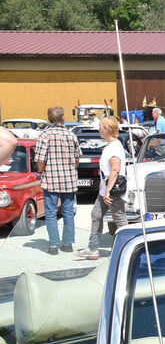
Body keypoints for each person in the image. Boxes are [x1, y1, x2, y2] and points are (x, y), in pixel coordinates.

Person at [76, 117, 128, 259]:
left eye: (101, 127)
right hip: (106, 188)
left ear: (107, 129)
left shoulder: (115, 147)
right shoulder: (110, 146)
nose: (99, 129)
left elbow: (115, 169)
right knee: (96, 215)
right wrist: (102, 186)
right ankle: (93, 248)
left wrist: (108, 190)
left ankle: (127, 247)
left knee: (119, 218)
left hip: (113, 190)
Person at [34, 106, 80, 254]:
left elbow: (40, 160)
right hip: (68, 180)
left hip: (51, 179)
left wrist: (41, 171)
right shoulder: (71, 135)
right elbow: (77, 159)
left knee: (51, 213)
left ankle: (53, 245)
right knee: (67, 212)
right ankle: (67, 244)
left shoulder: (44, 135)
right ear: (63, 118)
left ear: (49, 118)